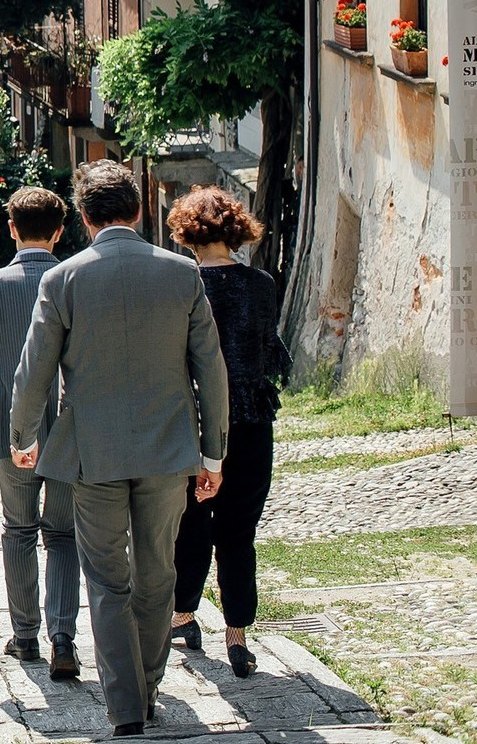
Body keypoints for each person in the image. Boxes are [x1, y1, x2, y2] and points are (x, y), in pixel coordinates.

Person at [11, 161, 230, 738]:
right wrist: (213, 455)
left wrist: (24, 438)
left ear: (83, 219)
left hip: (93, 454)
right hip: (166, 450)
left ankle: (126, 705)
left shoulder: (61, 281)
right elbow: (211, 371)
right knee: (158, 573)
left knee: (107, 580)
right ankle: (150, 682)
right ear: (140, 211)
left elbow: (34, 371)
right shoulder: (183, 275)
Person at [0, 187, 81, 682]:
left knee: (19, 530)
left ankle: (25, 636)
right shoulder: (76, 279)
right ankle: (63, 636)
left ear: (11, 228)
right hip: (70, 429)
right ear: (60, 230)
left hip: (10, 428)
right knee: (64, 535)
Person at [166, 187, 288, 680]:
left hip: (192, 424)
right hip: (251, 421)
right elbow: (267, 353)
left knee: (189, 522)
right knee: (239, 532)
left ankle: (183, 616)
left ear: (186, 232)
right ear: (236, 229)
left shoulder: (180, 285)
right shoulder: (261, 284)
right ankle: (237, 635)